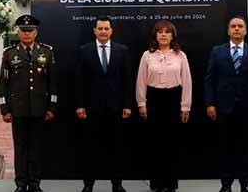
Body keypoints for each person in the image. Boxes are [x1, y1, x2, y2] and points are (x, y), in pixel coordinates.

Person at [205, 16, 248, 192]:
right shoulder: (217, 51)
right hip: (223, 107)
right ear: (228, 31)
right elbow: (209, 79)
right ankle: (226, 185)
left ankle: (245, 184)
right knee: (225, 147)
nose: (237, 29)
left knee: (245, 147)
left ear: (245, 30)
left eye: (240, 26)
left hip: (247, 108)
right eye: (233, 26)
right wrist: (210, 103)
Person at [75, 16, 134, 192]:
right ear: (94, 30)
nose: (103, 31)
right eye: (100, 28)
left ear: (111, 31)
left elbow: (127, 80)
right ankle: (88, 185)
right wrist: (80, 105)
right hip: (92, 109)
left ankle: (117, 184)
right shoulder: (84, 50)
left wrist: (127, 105)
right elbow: (79, 81)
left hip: (116, 109)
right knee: (90, 149)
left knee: (116, 149)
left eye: (106, 28)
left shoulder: (122, 50)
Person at [0, 14, 57, 192]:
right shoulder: (10, 53)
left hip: (39, 109)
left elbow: (52, 83)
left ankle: (35, 183)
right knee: (20, 148)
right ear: (18, 32)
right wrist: (4, 109)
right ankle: (20, 184)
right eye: (23, 31)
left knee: (36, 148)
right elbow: (3, 84)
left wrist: (52, 106)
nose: (26, 34)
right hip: (18, 109)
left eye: (30, 31)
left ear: (36, 32)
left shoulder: (46, 52)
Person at [136, 20, 192, 192]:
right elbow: (141, 81)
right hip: (154, 100)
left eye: (167, 32)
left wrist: (185, 107)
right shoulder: (147, 55)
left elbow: (187, 82)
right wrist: (141, 103)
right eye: (160, 32)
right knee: (155, 144)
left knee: (172, 144)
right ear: (155, 35)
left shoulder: (180, 56)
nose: (163, 35)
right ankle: (157, 183)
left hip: (174, 100)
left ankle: (171, 183)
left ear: (172, 35)